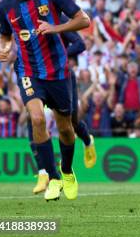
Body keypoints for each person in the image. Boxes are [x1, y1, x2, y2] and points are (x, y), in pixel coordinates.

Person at [0, 0, 91, 201]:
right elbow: (5, 34)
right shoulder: (5, 6)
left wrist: (55, 28)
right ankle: (53, 177)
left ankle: (67, 171)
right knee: (36, 119)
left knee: (66, 129)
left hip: (58, 71)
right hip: (28, 71)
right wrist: (5, 48)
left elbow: (84, 20)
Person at [29, 16, 97, 195]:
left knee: (71, 123)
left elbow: (80, 44)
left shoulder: (59, 21)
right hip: (37, 79)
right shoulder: (25, 19)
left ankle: (88, 141)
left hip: (62, 77)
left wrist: (57, 56)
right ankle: (45, 172)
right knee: (35, 119)